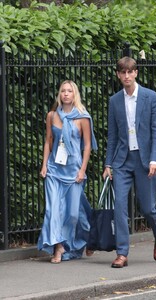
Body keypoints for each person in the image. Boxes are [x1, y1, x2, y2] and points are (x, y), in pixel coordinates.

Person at [103, 56, 156, 268]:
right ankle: (122, 253)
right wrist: (108, 164)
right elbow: (112, 135)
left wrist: (154, 160)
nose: (127, 76)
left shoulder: (151, 97)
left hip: (145, 160)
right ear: (118, 75)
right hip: (122, 161)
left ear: (136, 73)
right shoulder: (114, 101)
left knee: (148, 207)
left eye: (130, 72)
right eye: (123, 72)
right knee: (120, 205)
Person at [37, 80, 97, 263]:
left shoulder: (82, 117)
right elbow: (49, 141)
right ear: (59, 94)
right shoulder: (52, 115)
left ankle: (84, 238)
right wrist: (44, 165)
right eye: (63, 91)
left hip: (74, 171)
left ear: (75, 94)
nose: (66, 94)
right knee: (52, 210)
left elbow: (87, 146)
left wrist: (82, 170)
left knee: (72, 213)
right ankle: (58, 246)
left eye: (69, 91)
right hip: (55, 170)